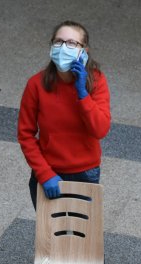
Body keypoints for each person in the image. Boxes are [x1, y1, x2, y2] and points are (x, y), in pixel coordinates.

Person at [18, 20, 111, 208]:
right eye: (58, 42)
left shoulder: (97, 81)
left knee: (82, 234)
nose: (63, 47)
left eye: (71, 43)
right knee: (51, 236)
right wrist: (45, 174)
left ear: (84, 50)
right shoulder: (36, 84)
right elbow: (25, 135)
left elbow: (100, 129)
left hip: (85, 174)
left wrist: (83, 94)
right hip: (49, 173)